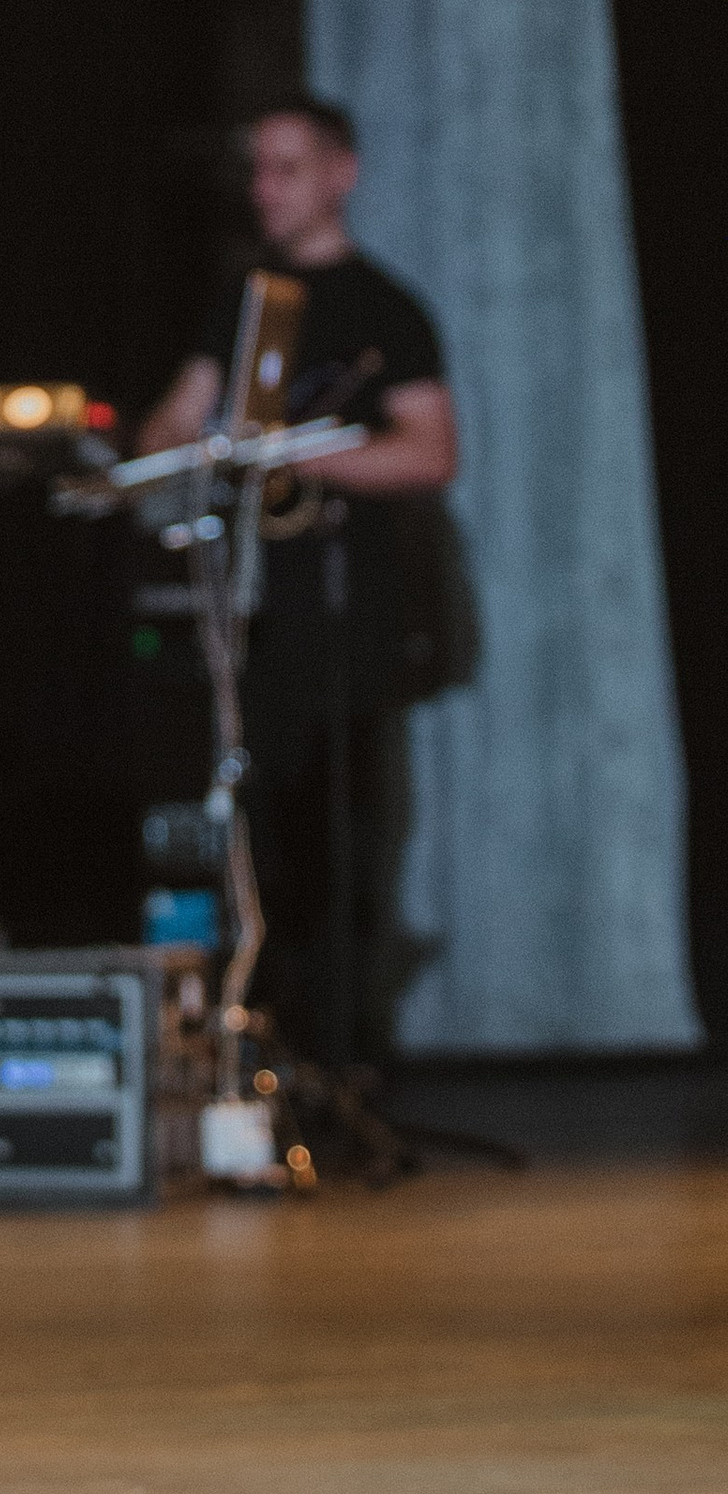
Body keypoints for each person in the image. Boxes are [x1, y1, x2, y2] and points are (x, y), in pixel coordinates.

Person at [139, 94, 463, 1064]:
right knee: (252, 837)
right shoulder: (245, 301)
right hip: (247, 610)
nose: (264, 189)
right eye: (256, 171)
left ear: (339, 172)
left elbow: (430, 453)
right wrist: (183, 450)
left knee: (346, 843)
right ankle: (256, 1057)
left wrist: (299, 452)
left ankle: (343, 1063)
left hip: (344, 611)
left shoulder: (384, 308)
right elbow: (170, 420)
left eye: (285, 168)